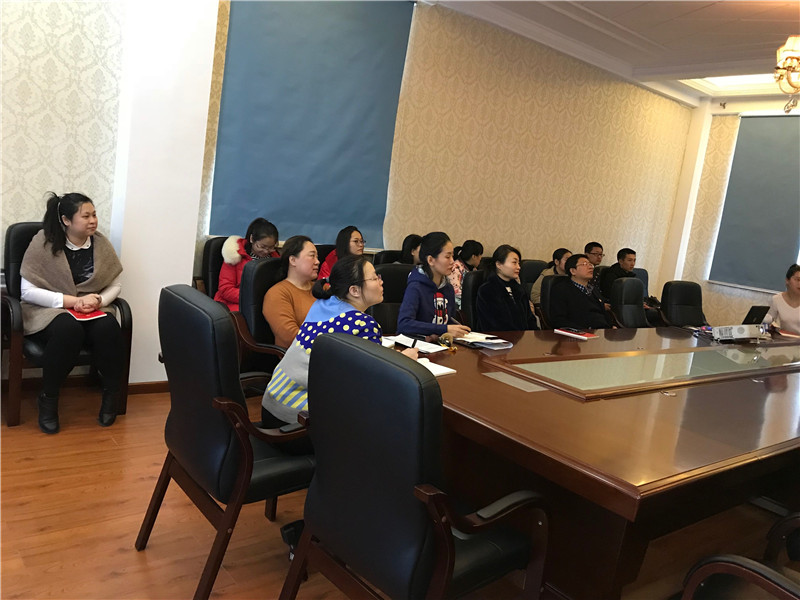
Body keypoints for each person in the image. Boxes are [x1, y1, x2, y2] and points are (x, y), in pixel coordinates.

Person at [261, 255, 418, 428]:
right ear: (354, 290)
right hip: (299, 421)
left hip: (273, 406)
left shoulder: (322, 304)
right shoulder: (364, 324)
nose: (381, 282)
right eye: (375, 278)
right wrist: (404, 361)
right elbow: (375, 383)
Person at [20, 192, 125, 434]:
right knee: (68, 330)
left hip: (91, 308)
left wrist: (99, 300)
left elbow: (115, 284)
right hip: (49, 309)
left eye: (94, 215)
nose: (93, 221)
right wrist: (73, 302)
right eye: (86, 216)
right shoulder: (43, 243)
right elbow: (27, 291)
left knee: (109, 327)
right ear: (66, 220)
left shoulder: (101, 244)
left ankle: (111, 394)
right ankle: (48, 398)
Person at [397, 231, 471, 338]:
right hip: (417, 345)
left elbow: (448, 320)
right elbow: (404, 324)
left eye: (452, 256)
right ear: (431, 260)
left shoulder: (448, 288)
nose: (452, 261)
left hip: (440, 344)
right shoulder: (416, 287)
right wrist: (444, 329)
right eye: (447, 257)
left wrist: (457, 329)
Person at [263, 235, 318, 348]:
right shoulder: (277, 294)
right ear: (293, 260)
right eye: (312, 256)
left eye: (317, 257)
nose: (317, 262)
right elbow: (291, 337)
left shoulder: (322, 289)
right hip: (300, 353)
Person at [214, 218, 280, 311]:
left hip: (264, 303)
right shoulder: (234, 256)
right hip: (235, 304)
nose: (266, 251)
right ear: (252, 239)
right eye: (262, 246)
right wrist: (254, 297)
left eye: (271, 247)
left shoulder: (275, 259)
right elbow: (225, 290)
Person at [476, 245, 539, 332]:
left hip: (523, 338)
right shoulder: (487, 290)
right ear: (498, 264)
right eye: (514, 262)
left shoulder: (519, 289)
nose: (518, 267)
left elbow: (530, 320)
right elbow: (492, 324)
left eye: (519, 263)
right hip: (499, 338)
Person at [549, 254, 613, 330]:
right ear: (573, 271)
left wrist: (611, 327)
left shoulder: (593, 289)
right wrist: (582, 332)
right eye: (584, 264)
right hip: (579, 333)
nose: (590, 267)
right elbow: (559, 320)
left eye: (590, 264)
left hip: (602, 331)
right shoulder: (561, 289)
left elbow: (603, 314)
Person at [448, 240, 483, 308]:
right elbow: (456, 292)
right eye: (480, 255)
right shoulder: (456, 268)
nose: (481, 258)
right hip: (459, 304)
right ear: (474, 256)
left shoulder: (473, 269)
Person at [766, 264, 800, 334]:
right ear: (787, 280)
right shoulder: (776, 299)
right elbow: (768, 322)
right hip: (782, 339)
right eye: (797, 280)